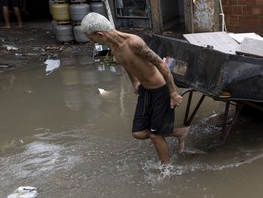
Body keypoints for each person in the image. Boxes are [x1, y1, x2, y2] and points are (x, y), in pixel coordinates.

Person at [80, 12, 189, 166]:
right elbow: (127, 64)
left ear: (100, 34)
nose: (92, 42)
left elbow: (161, 64)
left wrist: (173, 93)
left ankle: (167, 169)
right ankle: (179, 132)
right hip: (145, 90)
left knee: (155, 136)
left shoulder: (134, 43)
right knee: (138, 133)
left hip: (160, 90)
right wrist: (134, 82)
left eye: (92, 38)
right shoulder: (111, 45)